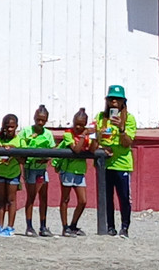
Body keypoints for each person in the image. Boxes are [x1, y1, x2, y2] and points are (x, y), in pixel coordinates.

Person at [95, 85, 136, 238]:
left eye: (117, 99)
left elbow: (127, 143)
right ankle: (110, 226)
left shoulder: (129, 118)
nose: (114, 101)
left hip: (122, 163)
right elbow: (96, 139)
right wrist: (101, 145)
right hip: (105, 163)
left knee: (124, 197)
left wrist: (121, 129)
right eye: (111, 98)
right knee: (107, 197)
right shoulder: (100, 117)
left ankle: (124, 227)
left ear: (123, 102)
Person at [18, 105, 55, 238]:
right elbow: (20, 146)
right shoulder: (26, 131)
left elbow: (52, 151)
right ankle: (29, 226)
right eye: (38, 119)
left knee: (44, 197)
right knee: (31, 196)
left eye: (43, 120)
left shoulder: (48, 134)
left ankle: (43, 226)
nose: (40, 122)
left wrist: (45, 159)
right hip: (30, 168)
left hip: (42, 169)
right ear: (34, 118)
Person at [56, 108, 92, 237]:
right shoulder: (68, 134)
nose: (78, 127)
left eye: (81, 125)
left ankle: (73, 225)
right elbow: (76, 149)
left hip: (80, 171)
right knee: (65, 199)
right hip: (68, 170)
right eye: (76, 123)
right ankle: (64, 227)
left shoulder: (87, 135)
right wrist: (84, 136)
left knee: (83, 201)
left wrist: (96, 136)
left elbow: (92, 149)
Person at [0, 114, 21, 237]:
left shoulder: (19, 140)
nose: (9, 129)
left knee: (11, 200)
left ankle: (10, 226)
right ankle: (0, 225)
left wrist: (12, 149)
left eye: (12, 127)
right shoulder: (0, 140)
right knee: (1, 200)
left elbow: (22, 158)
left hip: (13, 173)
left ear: (16, 127)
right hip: (0, 172)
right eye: (7, 127)